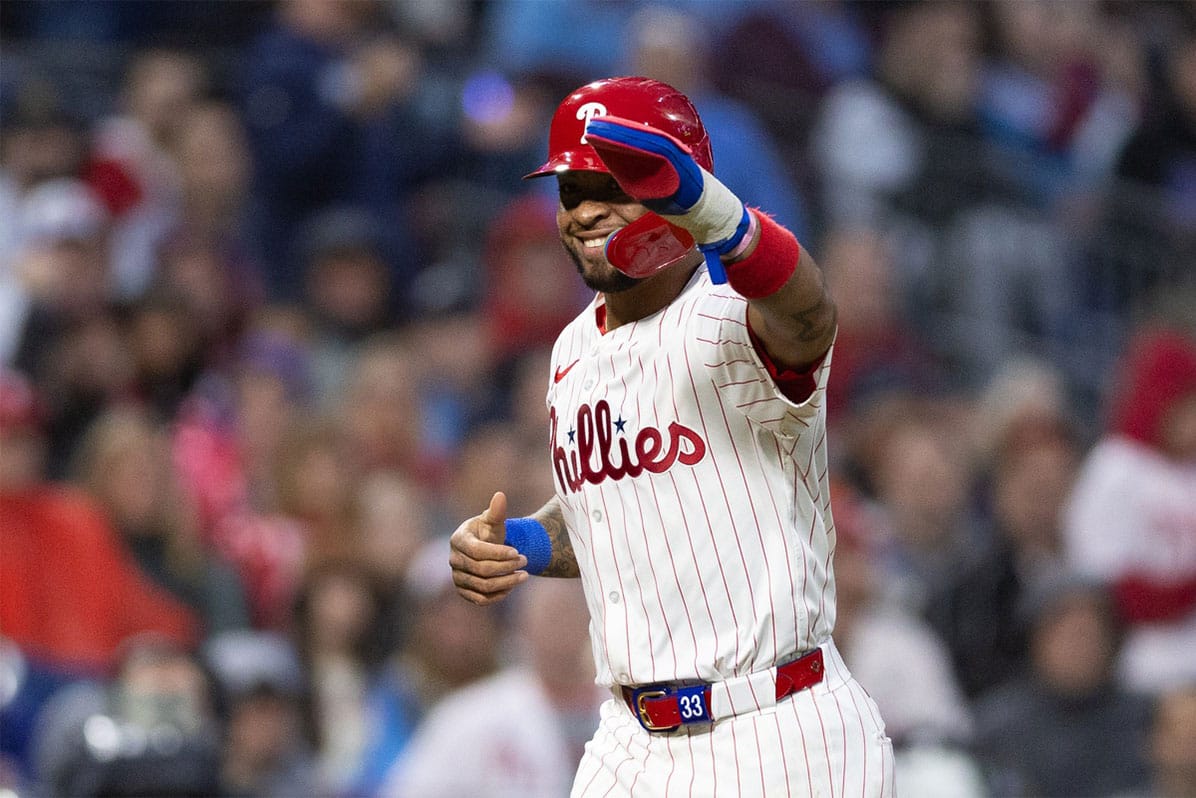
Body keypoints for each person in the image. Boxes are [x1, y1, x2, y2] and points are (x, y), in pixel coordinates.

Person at [449, 76, 893, 795]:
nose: (586, 210)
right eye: (570, 192)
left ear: (675, 187)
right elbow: (618, 507)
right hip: (631, 741)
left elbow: (810, 315)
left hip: (775, 725)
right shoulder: (571, 351)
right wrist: (522, 545)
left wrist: (717, 213)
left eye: (611, 185)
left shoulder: (735, 317)